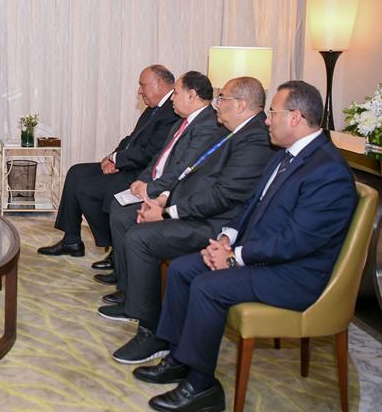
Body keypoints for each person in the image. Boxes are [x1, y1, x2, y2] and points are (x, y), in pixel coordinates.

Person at [134, 81, 357, 412]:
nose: (266, 119)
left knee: (208, 286)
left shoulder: (328, 171)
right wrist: (226, 239)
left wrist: (234, 257)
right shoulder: (285, 155)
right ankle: (179, 357)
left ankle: (202, 386)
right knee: (182, 269)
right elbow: (251, 206)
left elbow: (296, 241)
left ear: (295, 117)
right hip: (264, 257)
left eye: (273, 113)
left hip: (295, 274)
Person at [100, 77, 274, 364]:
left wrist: (167, 211)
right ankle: (145, 314)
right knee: (135, 224)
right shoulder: (233, 131)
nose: (217, 104)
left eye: (223, 98)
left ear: (241, 105)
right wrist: (163, 200)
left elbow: (223, 196)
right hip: (199, 211)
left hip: (219, 224)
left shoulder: (255, 139)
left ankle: (151, 331)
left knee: (140, 238)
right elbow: (193, 172)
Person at [37, 65, 180, 260]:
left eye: (142, 85)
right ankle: (71, 240)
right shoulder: (154, 109)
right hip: (127, 163)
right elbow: (131, 138)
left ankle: (115, 246)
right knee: (76, 173)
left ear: (159, 84)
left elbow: (150, 153)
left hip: (140, 172)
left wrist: (118, 161)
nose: (139, 91)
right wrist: (112, 157)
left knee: (87, 189)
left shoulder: (172, 113)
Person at [96, 71, 224, 286]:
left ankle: (128, 287)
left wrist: (152, 190)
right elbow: (159, 158)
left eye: (176, 93)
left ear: (192, 95)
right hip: (159, 186)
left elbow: (182, 170)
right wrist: (142, 181)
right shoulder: (182, 122)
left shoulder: (208, 125)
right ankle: (124, 279)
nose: (172, 98)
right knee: (118, 206)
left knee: (124, 214)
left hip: (176, 197)